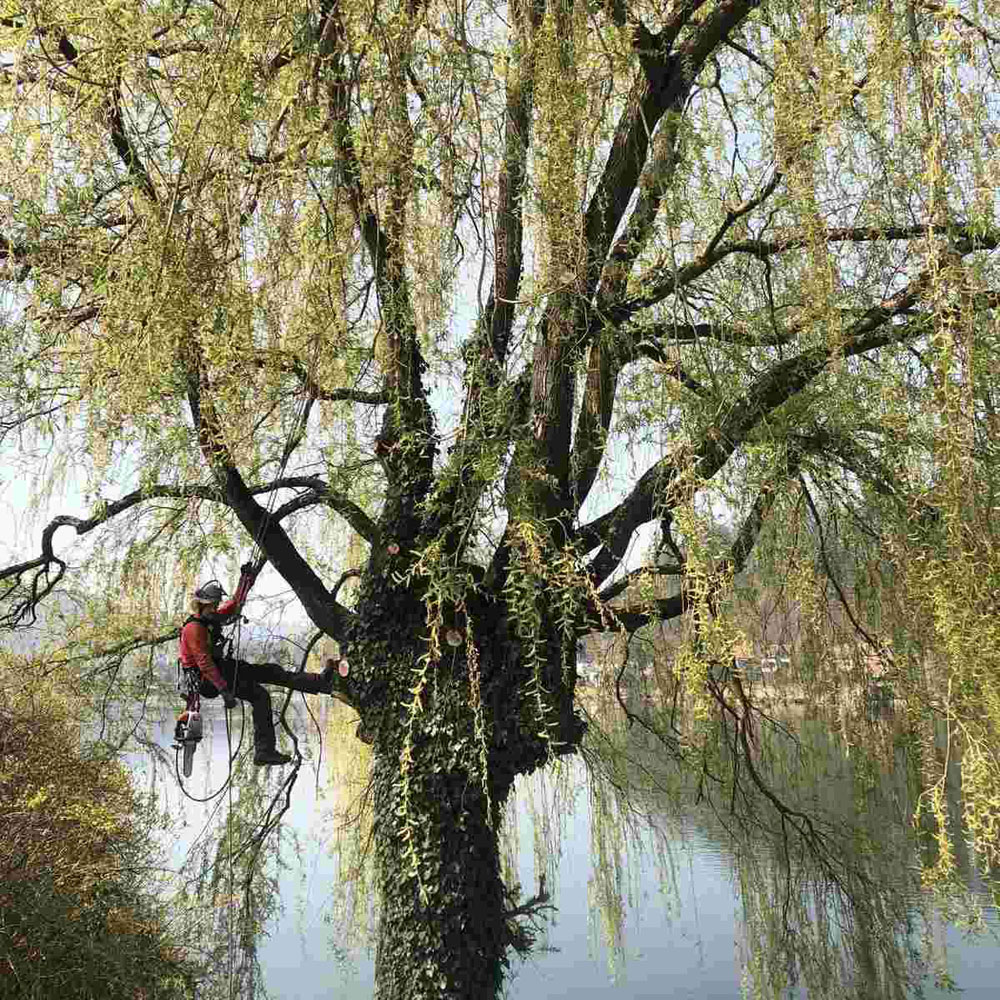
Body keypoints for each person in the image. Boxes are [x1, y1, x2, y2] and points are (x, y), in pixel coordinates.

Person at [178, 562, 338, 766]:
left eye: (216, 605)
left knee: (270, 671)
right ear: (202, 605)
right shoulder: (193, 629)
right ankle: (264, 751)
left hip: (221, 669)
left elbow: (234, 605)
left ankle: (319, 682)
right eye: (212, 605)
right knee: (260, 696)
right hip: (208, 679)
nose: (216, 608)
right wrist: (225, 691)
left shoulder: (212, 617)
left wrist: (246, 579)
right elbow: (204, 662)